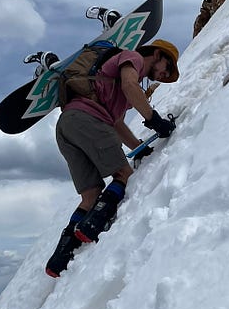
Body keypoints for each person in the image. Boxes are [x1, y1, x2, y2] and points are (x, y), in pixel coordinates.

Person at [45, 39, 179, 277]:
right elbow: (129, 85)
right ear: (157, 54)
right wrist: (155, 120)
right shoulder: (133, 58)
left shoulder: (113, 86)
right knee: (124, 174)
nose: (163, 75)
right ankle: (91, 225)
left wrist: (138, 147)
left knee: (91, 194)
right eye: (166, 67)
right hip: (89, 119)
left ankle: (60, 258)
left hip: (67, 125)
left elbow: (117, 123)